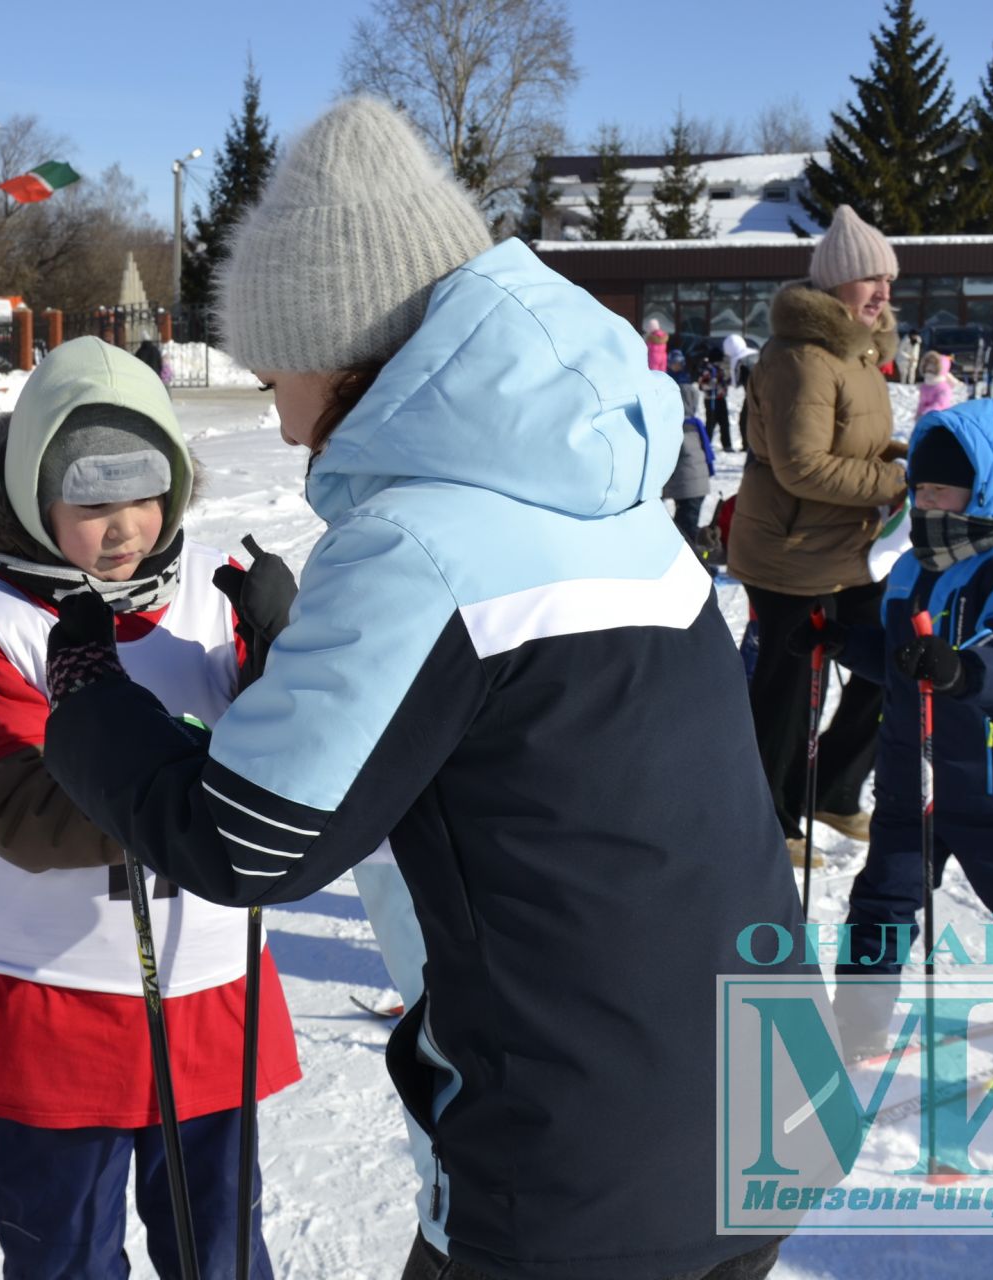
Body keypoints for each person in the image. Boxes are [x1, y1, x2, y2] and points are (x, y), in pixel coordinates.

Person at [39, 97, 795, 1280]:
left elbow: (245, 841)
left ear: (336, 352)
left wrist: (88, 698)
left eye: (268, 367)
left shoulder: (417, 541)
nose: (277, 414)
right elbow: (537, 751)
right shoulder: (616, 500)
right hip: (759, 1101)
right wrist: (312, 660)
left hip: (575, 1168)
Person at [0, 336, 299, 1279]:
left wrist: (280, 661)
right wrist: (193, 777)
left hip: (210, 988)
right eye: (91, 502)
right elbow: (16, 805)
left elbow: (299, 764)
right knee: (66, 1259)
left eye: (146, 494)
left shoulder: (214, 594)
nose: (126, 525)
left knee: (221, 1252)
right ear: (32, 497)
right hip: (59, 997)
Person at [798, 401, 993, 1057]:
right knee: (881, 902)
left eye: (940, 487)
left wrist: (963, 670)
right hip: (907, 779)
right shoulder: (915, 566)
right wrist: (838, 642)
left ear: (984, 489)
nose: (925, 499)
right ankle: (856, 1022)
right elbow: (897, 660)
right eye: (919, 486)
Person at [729, 204, 908, 861]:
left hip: (849, 550)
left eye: (889, 279)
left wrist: (902, 458)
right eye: (870, 279)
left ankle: (831, 788)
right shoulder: (802, 357)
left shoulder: (860, 356)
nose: (883, 292)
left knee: (888, 663)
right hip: (790, 551)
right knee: (789, 691)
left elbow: (857, 443)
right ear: (835, 286)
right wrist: (892, 485)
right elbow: (801, 466)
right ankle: (768, 820)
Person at [665, 413, 715, 554]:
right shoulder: (692, 424)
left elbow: (669, 460)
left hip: (690, 488)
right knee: (683, 530)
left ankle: (702, 564)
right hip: (691, 486)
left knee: (685, 534)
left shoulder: (679, 428)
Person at [700, 347, 736, 451]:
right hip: (710, 399)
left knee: (724, 422)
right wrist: (711, 384)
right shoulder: (707, 370)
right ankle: (706, 444)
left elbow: (725, 381)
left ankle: (727, 444)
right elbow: (702, 385)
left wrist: (726, 382)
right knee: (711, 422)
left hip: (721, 398)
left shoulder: (721, 369)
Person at [915, 350, 956, 423]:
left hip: (939, 419)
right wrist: (918, 414)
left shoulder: (944, 388)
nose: (929, 368)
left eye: (934, 366)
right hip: (924, 419)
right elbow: (922, 402)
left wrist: (924, 413)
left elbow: (940, 404)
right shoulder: (925, 386)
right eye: (927, 365)